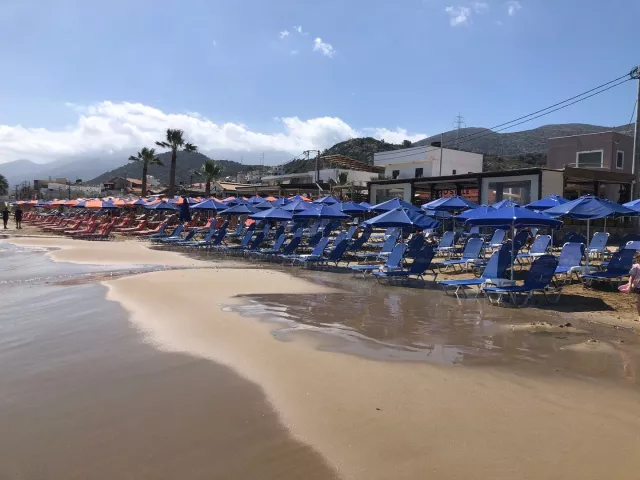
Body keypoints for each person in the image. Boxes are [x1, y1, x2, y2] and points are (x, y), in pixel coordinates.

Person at [627, 252, 640, 321]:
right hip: (638, 286)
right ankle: (639, 315)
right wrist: (630, 285)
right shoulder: (636, 266)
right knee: (639, 302)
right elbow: (631, 277)